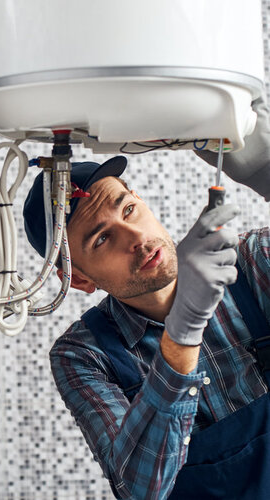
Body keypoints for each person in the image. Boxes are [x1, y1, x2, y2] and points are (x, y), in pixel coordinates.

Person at [22, 97, 270, 500]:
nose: (136, 238)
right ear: (81, 279)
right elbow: (140, 488)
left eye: (130, 209)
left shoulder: (253, 262)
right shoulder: (84, 356)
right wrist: (183, 332)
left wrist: (265, 170)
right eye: (102, 238)